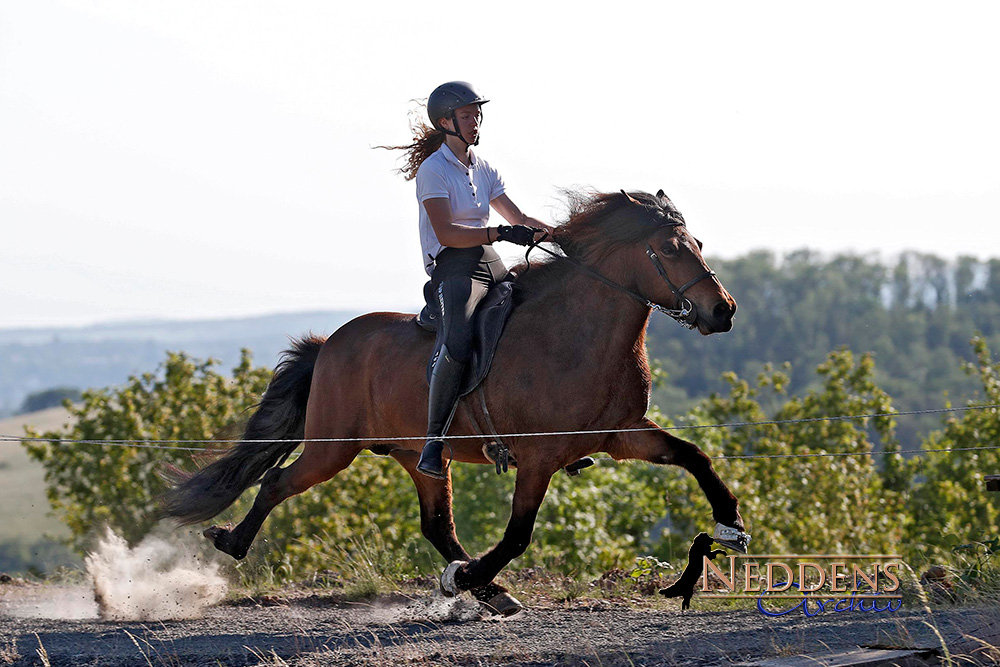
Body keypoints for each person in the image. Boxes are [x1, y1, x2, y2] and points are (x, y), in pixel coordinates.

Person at [386, 81, 551, 479]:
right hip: (454, 266)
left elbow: (520, 219)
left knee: (537, 317)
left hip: (488, 259)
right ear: (445, 122)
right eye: (467, 115)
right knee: (458, 343)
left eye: (478, 113)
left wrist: (564, 237)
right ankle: (432, 441)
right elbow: (448, 234)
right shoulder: (434, 170)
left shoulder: (484, 166)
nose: (475, 120)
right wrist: (497, 233)